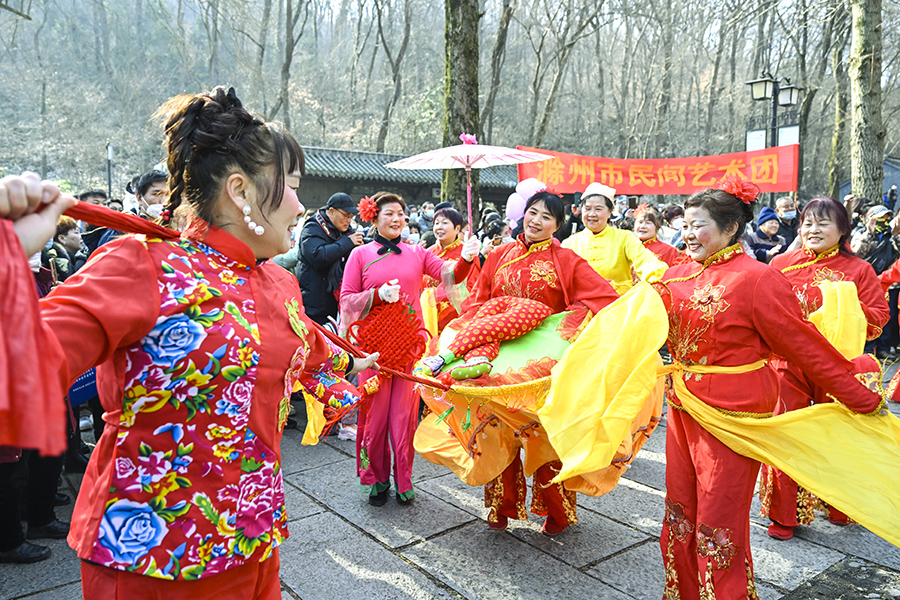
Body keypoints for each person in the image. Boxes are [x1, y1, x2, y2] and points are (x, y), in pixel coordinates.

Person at [0, 86, 378, 599]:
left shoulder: (275, 281)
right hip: (152, 553)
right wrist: (9, 254)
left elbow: (305, 344)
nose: (298, 203)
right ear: (241, 191)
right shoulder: (141, 266)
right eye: (290, 185)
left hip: (251, 533)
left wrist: (356, 361)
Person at [654, 180, 883, 600]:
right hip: (682, 405)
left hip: (735, 412)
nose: (687, 233)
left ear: (730, 228)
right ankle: (684, 591)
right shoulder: (674, 275)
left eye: (698, 224)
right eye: (684, 224)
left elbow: (806, 346)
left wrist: (861, 398)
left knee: (719, 516)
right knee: (680, 507)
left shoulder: (758, 279)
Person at [421, 191, 621, 535]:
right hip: (497, 357)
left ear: (558, 225)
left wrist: (571, 324)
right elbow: (480, 303)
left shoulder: (567, 260)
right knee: (496, 431)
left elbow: (606, 299)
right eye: (532, 212)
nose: (536, 221)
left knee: (544, 437)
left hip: (539, 367)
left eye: (546, 217)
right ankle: (500, 505)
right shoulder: (499, 254)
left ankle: (556, 512)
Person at [757, 196, 889, 541]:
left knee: (840, 433)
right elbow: (764, 311)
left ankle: (841, 503)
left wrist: (841, 304)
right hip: (789, 362)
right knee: (789, 432)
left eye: (823, 223)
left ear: (843, 229)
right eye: (808, 223)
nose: (813, 230)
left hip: (839, 362)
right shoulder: (781, 264)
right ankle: (784, 513)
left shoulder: (859, 269)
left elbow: (879, 316)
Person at [340, 192, 479, 506]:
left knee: (404, 419)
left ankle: (404, 480)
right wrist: (376, 295)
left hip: (408, 349)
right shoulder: (359, 255)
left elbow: (450, 274)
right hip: (372, 355)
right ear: (374, 217)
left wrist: (467, 258)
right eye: (389, 213)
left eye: (401, 213)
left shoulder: (417, 253)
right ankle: (375, 482)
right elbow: (346, 300)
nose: (397, 219)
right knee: (374, 419)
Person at [562, 182, 667, 294]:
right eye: (587, 209)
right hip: (580, 305)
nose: (592, 214)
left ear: (610, 212)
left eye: (598, 209)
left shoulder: (624, 238)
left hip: (618, 304)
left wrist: (656, 279)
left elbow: (645, 261)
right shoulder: (569, 244)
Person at [295, 192, 364, 329]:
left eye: (351, 217)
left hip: (334, 304)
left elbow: (356, 242)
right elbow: (318, 256)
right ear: (331, 212)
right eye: (346, 215)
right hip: (313, 306)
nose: (349, 220)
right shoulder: (313, 226)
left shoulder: (344, 230)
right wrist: (347, 242)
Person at [422, 206, 481, 334]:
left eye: (444, 223)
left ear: (457, 228)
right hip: (429, 313)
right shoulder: (428, 253)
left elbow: (473, 286)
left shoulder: (467, 253)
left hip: (456, 314)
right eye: (436, 223)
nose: (439, 227)